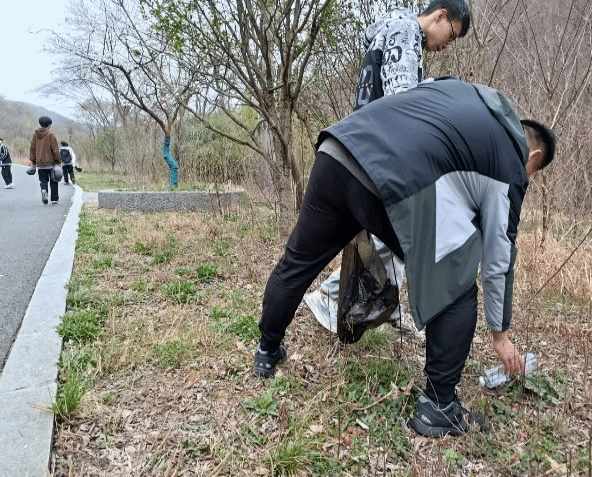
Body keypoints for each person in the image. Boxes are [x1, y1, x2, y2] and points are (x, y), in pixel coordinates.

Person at [252, 77, 556, 438]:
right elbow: (498, 257)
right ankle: (439, 408)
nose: (526, 180)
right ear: (533, 157)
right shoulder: (510, 161)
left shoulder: (463, 93)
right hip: (390, 179)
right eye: (532, 174)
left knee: (299, 260)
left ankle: (267, 351)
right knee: (457, 284)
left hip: (338, 149)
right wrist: (500, 335)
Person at [305, 0, 472, 332]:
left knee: (394, 232)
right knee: (400, 230)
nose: (445, 47)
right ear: (440, 16)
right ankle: (329, 295)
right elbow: (402, 102)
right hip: (381, 151)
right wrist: (437, 92)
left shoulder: (392, 31)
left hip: (368, 146)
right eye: (451, 36)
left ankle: (384, 302)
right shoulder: (405, 31)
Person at [28, 116, 62, 205]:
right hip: (51, 163)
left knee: (43, 181)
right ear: (49, 125)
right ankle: (54, 199)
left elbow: (32, 149)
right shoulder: (51, 134)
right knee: (54, 180)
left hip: (40, 164)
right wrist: (58, 161)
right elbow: (55, 150)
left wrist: (33, 161)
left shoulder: (35, 135)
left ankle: (44, 190)